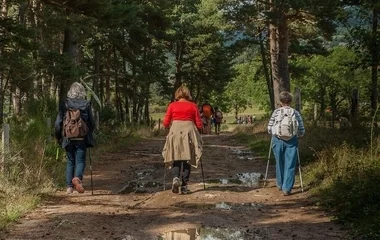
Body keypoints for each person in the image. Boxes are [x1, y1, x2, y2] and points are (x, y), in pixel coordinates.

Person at [55, 82, 96, 194]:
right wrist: (89, 134)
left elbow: (58, 123)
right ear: (82, 92)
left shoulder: (65, 104)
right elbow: (92, 123)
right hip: (81, 138)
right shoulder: (86, 104)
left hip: (68, 138)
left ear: (70, 91)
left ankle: (69, 187)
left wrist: (58, 137)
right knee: (81, 160)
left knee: (70, 161)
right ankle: (77, 178)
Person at [162, 86, 203, 194]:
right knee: (187, 158)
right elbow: (199, 123)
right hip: (188, 131)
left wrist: (167, 127)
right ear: (188, 94)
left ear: (177, 94)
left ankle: (175, 178)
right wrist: (199, 129)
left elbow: (166, 122)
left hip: (175, 130)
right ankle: (184, 186)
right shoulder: (193, 106)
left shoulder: (172, 105)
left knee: (176, 156)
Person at [267, 91, 305, 196]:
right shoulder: (295, 113)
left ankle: (279, 184)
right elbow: (301, 129)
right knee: (291, 164)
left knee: (280, 162)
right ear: (291, 101)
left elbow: (269, 128)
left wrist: (273, 133)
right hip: (292, 140)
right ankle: (287, 188)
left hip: (277, 139)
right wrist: (299, 135)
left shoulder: (276, 112)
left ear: (280, 101)